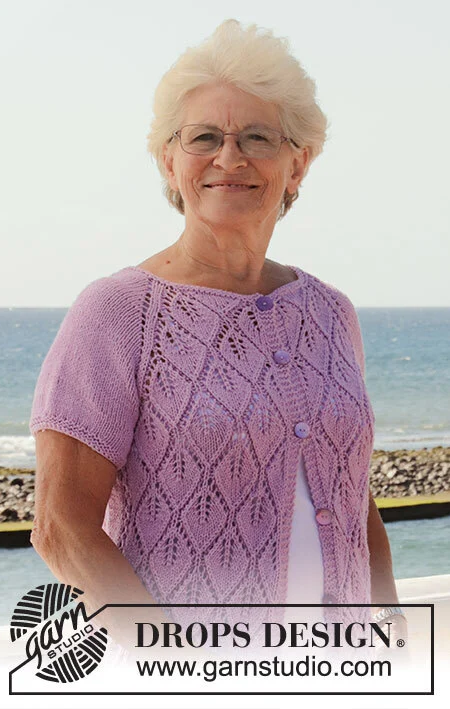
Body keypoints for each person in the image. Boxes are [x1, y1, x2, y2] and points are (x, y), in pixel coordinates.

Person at [29, 19, 407, 656]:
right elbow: (61, 528)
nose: (229, 158)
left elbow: (349, 494)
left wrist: (393, 633)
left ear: (298, 163)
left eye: (257, 137)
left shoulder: (331, 312)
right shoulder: (118, 313)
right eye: (204, 137)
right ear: (170, 162)